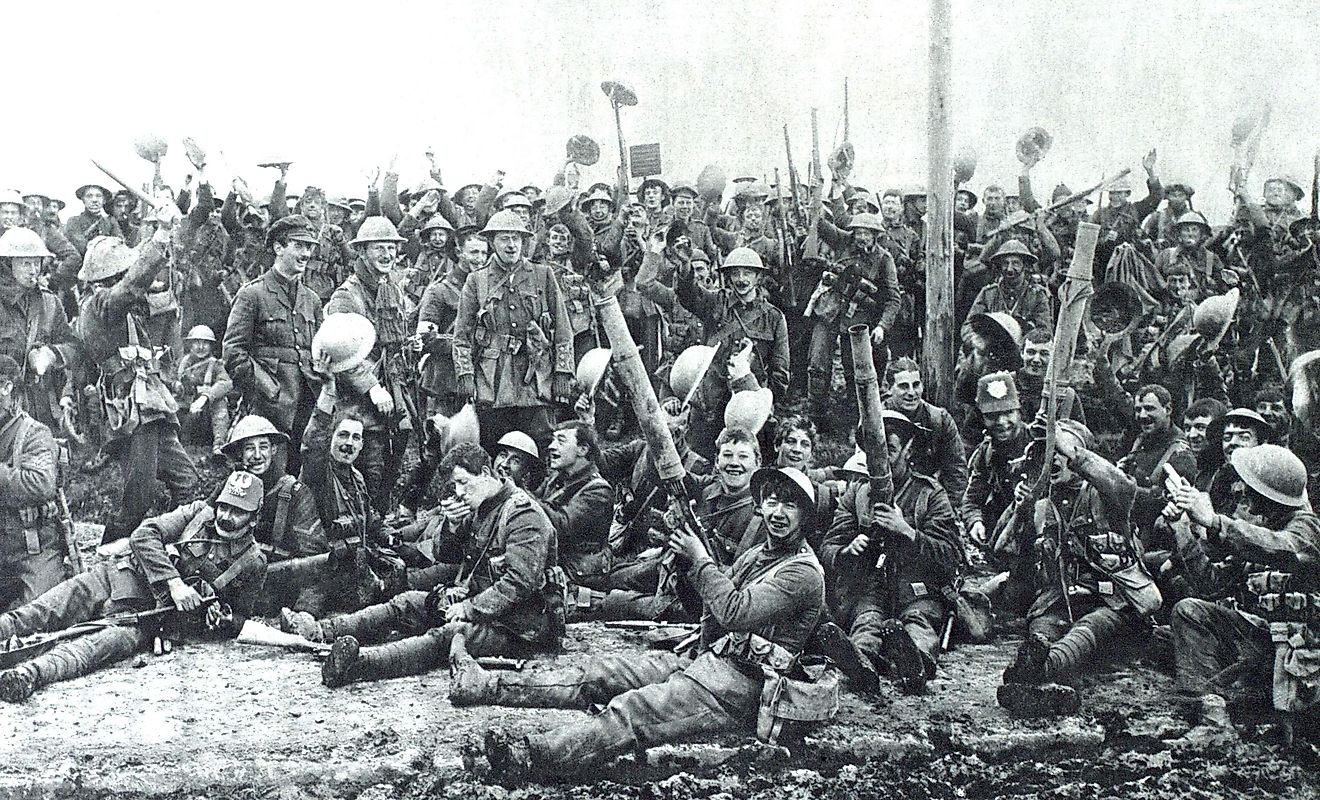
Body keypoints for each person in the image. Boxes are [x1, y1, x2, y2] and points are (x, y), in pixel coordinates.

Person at [452, 466, 832, 780]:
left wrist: (699, 558)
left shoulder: (802, 572)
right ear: (761, 506)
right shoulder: (759, 554)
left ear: (805, 517)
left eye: (790, 506)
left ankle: (532, 758)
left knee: (634, 710)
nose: (778, 513)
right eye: (771, 501)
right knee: (603, 674)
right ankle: (486, 685)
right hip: (713, 662)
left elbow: (734, 610)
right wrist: (685, 564)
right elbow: (713, 608)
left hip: (744, 689)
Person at [281, 442, 563, 688]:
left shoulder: (522, 515)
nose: (460, 492)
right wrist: (453, 526)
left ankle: (359, 664)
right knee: (406, 602)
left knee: (448, 636)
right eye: (455, 485)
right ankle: (321, 632)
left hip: (520, 629)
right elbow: (447, 556)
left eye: (463, 482)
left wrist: (467, 609)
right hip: (483, 609)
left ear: (487, 474)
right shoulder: (484, 507)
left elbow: (518, 583)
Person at [0, 471, 268, 702]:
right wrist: (174, 583)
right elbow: (144, 535)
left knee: (91, 650)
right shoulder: (197, 513)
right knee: (38, 612)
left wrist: (213, 618)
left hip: (146, 620)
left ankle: (29, 675)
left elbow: (239, 617)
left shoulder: (253, 563)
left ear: (254, 519)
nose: (225, 516)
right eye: (224, 506)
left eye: (237, 512)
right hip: (117, 577)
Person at [997, 420, 1161, 717]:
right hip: (1061, 602)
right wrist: (1021, 511)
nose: (1054, 459)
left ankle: (1042, 670)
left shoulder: (1105, 497)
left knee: (1090, 628)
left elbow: (1122, 485)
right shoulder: (1042, 506)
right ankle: (1041, 688)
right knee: (1041, 632)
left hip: (1115, 605)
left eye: (1060, 452)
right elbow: (1003, 557)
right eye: (1049, 453)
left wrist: (1073, 452)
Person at [1166, 444, 1320, 745]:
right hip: (1266, 646)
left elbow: (1280, 547)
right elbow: (1213, 586)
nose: (1244, 495)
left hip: (1303, 656)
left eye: (1251, 489)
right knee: (1190, 610)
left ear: (1271, 496)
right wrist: (1183, 528)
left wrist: (1214, 521)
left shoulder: (1308, 529)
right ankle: (1213, 717)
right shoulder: (1261, 529)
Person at [77, 207, 198, 544]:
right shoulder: (100, 305)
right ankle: (109, 552)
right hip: (130, 408)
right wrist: (159, 235)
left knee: (186, 479)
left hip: (151, 401)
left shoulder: (120, 304)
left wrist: (165, 232)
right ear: (112, 276)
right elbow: (132, 286)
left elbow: (148, 286)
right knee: (138, 498)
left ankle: (178, 544)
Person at [822, 410, 963, 694]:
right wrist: (848, 552)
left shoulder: (929, 494)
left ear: (909, 449)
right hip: (869, 587)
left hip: (917, 588)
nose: (880, 460)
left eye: (891, 449)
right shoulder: (858, 493)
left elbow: (950, 557)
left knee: (918, 622)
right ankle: (861, 665)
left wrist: (907, 532)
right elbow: (829, 546)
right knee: (866, 622)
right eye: (874, 450)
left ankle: (915, 664)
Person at [452, 210, 575, 451]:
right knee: (494, 445)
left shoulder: (542, 274)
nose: (511, 245)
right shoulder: (477, 280)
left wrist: (562, 371)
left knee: (542, 444)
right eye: (504, 239)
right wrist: (465, 374)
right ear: (492, 242)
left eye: (516, 239)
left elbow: (562, 328)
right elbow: (462, 336)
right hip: (493, 381)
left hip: (536, 377)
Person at [326, 216, 418, 515]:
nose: (387, 254)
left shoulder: (391, 289)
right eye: (379, 248)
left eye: (391, 248)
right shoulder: (347, 295)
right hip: (358, 400)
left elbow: (395, 335)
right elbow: (341, 352)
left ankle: (378, 521)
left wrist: (410, 343)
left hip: (394, 387)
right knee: (368, 464)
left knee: (397, 453)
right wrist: (373, 387)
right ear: (363, 251)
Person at [222, 214, 324, 472]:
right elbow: (233, 352)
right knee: (270, 476)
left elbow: (319, 348)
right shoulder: (252, 294)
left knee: (304, 475)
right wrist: (265, 390)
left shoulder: (311, 300)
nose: (305, 253)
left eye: (309, 247)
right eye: (298, 245)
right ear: (278, 248)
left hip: (307, 402)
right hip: (268, 407)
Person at [674, 247, 789, 454]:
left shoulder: (774, 317)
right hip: (711, 398)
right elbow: (689, 295)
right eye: (735, 273)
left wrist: (765, 402)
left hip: (747, 401)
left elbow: (780, 370)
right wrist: (685, 266)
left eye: (747, 273)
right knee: (700, 456)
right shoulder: (716, 301)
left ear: (758, 277)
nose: (741, 279)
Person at [218, 415, 327, 614]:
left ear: (274, 450)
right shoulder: (229, 488)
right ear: (240, 454)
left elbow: (315, 562)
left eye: (264, 447)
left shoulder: (294, 493)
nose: (257, 455)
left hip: (276, 591)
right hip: (228, 584)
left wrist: (305, 614)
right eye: (250, 448)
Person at [803, 210, 901, 429]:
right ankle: (815, 418)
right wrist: (817, 196)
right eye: (858, 232)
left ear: (876, 235)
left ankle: (855, 419)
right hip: (829, 312)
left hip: (859, 320)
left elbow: (893, 298)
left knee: (855, 370)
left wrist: (882, 326)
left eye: (867, 233)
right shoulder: (843, 241)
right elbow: (820, 222)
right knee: (817, 363)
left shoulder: (884, 259)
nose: (861, 237)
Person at [0, 354, 64, 611]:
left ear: (6, 388)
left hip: (31, 549)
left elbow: (40, 484)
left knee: (38, 614)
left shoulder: (33, 433)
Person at [0, 227, 80, 431]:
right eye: (26, 263)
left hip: (40, 405)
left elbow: (73, 346)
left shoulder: (49, 302)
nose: (33, 270)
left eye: (37, 262)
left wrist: (51, 354)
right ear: (8, 264)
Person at [884, 357, 968, 511]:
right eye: (903, 386)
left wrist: (950, 510)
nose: (911, 393)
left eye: (916, 385)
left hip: (928, 499)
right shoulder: (876, 421)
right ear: (889, 388)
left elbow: (956, 472)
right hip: (888, 497)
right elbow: (862, 469)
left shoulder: (939, 420)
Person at [536, 421, 613, 586]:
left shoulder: (598, 491)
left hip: (579, 574)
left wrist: (524, 495)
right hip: (559, 562)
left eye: (561, 441)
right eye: (553, 440)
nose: (551, 446)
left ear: (582, 450)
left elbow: (561, 526)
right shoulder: (557, 478)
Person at [1117, 384, 1197, 536]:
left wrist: (1121, 485)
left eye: (1149, 408)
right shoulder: (1142, 439)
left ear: (1167, 410)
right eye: (1138, 409)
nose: (1142, 415)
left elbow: (1171, 505)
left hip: (1156, 540)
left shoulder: (1180, 453)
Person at [962, 240, 1053, 338]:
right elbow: (968, 326)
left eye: (1015, 263)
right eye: (1005, 263)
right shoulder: (988, 293)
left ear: (1025, 265)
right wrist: (980, 340)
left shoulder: (1036, 295)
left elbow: (1045, 331)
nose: (1009, 269)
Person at [175, 325, 232, 452]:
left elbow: (226, 382)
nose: (201, 347)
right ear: (190, 344)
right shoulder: (181, 363)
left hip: (206, 411)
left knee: (220, 404)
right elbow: (169, 377)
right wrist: (175, 385)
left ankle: (219, 444)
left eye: (205, 343)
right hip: (185, 409)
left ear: (211, 346)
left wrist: (206, 397)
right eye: (196, 342)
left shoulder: (215, 364)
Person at [62, 183, 123, 255]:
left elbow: (120, 244)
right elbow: (82, 247)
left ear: (104, 200)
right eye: (89, 196)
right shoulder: (74, 221)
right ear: (83, 200)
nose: (94, 200)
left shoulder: (110, 222)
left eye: (98, 196)